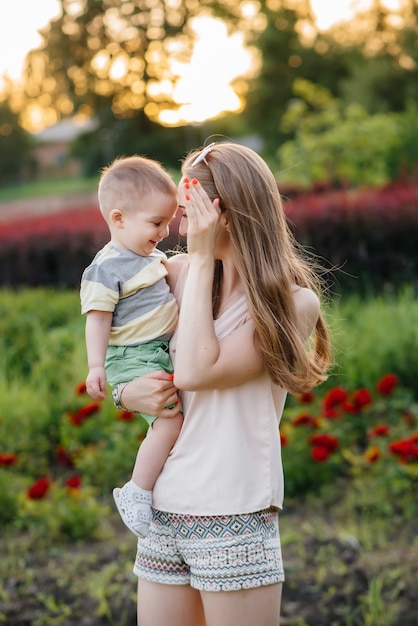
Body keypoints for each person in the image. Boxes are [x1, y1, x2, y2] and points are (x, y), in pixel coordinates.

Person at [114, 141, 332, 626]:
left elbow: (195, 370)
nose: (178, 228)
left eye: (188, 211)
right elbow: (119, 348)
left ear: (224, 213)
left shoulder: (291, 306)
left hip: (234, 512)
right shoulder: (170, 274)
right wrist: (123, 391)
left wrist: (201, 257)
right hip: (163, 511)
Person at [80, 155, 183, 539]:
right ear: (119, 219)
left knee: (176, 419)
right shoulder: (106, 268)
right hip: (132, 355)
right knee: (169, 422)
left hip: (155, 348)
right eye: (157, 223)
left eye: (169, 221)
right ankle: (136, 491)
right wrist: (95, 366)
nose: (166, 231)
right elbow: (98, 318)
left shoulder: (151, 256)